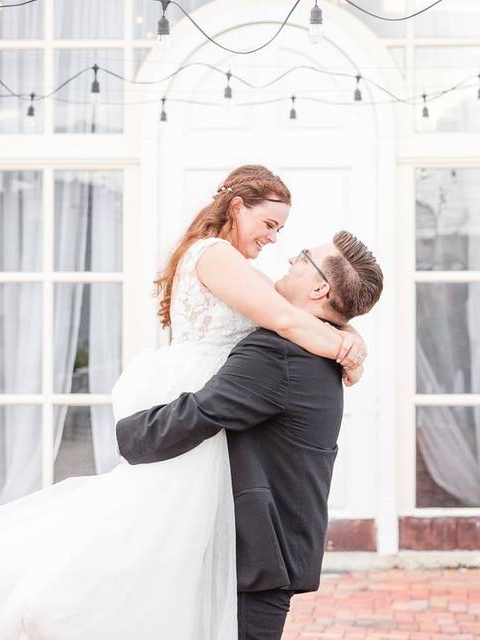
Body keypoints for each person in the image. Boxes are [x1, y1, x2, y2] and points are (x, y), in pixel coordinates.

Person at [0, 165, 369, 640]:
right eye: (270, 225)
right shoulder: (217, 256)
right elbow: (285, 316)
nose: (277, 242)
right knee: (152, 538)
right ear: (237, 207)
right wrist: (347, 347)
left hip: (213, 410)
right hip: (198, 397)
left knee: (165, 548)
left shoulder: (265, 318)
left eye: (286, 237)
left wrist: (348, 334)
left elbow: (291, 316)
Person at [116, 231, 384, 640]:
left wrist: (125, 435)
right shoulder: (318, 347)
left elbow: (202, 412)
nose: (290, 259)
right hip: (270, 550)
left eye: (302, 257)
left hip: (260, 555)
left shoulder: (280, 353)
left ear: (319, 287)